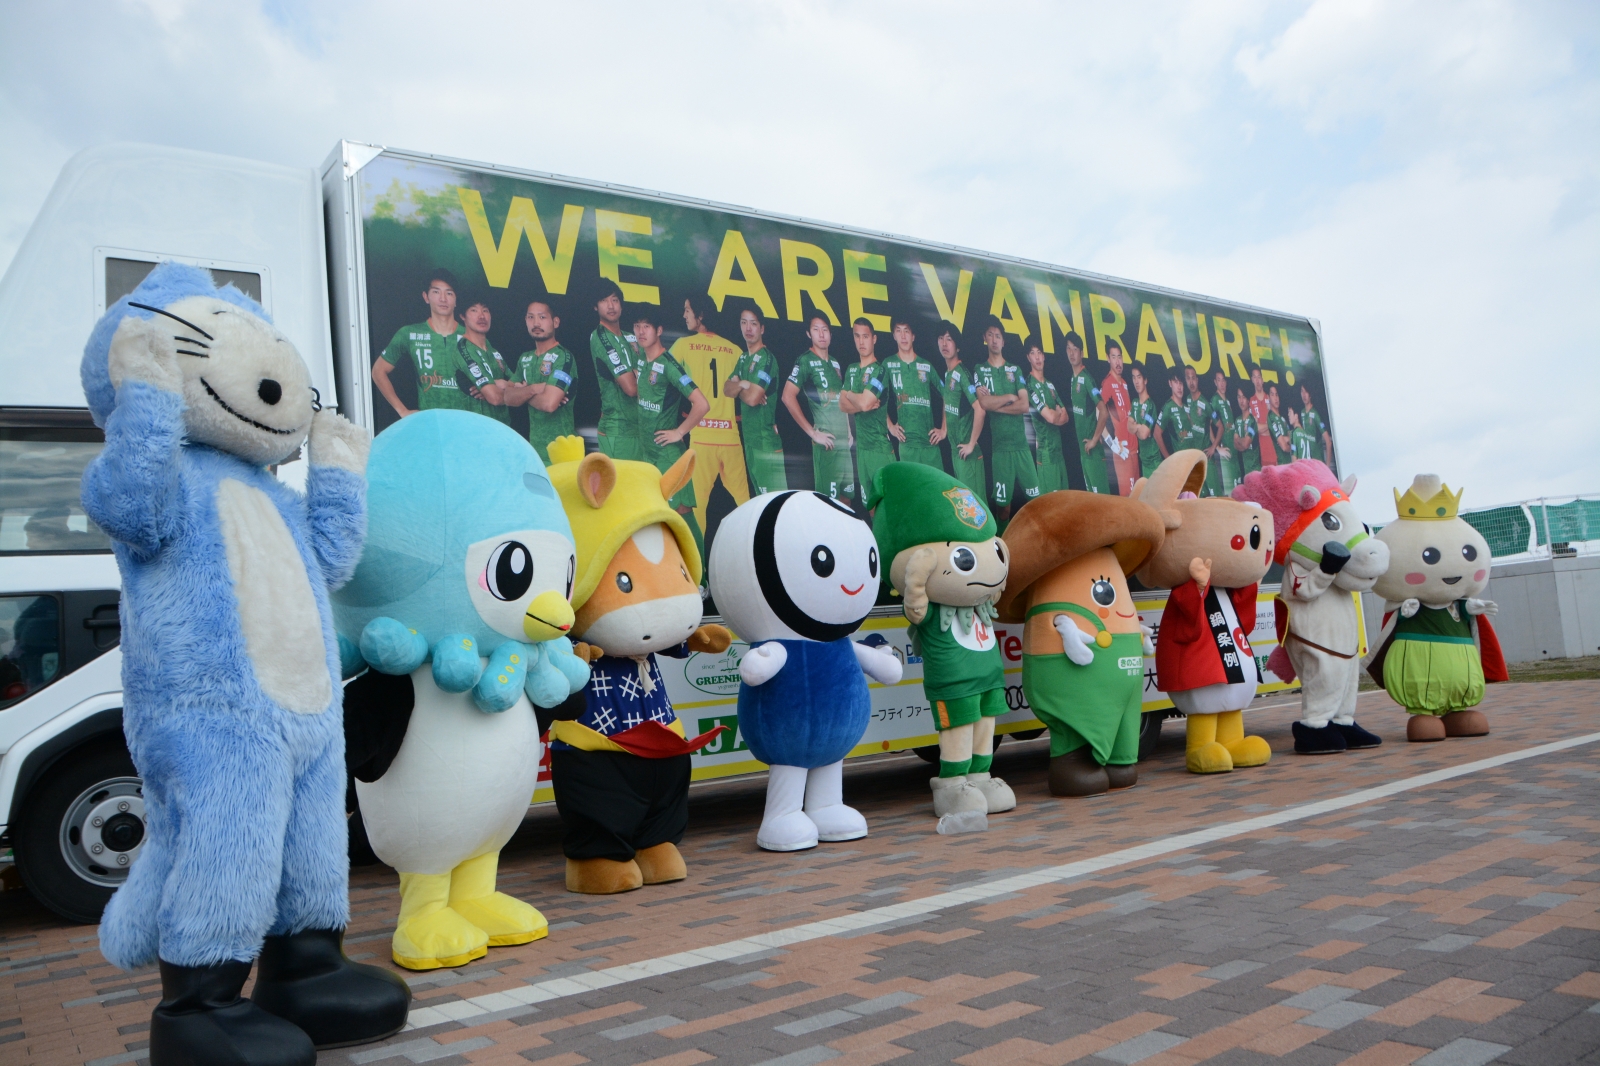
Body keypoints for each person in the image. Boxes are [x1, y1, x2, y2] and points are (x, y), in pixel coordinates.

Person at [671, 295, 750, 533]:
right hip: (730, 438)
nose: (684, 315)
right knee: (746, 506)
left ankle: (698, 557)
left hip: (702, 438)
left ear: (701, 314)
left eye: (687, 310)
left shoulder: (683, 345)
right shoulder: (735, 350)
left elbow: (661, 374)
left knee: (697, 510)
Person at [634, 309, 710, 558]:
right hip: (648, 456)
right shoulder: (641, 361)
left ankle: (702, 575)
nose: (641, 331)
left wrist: (679, 432)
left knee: (682, 515)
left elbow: (702, 404)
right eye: (637, 326)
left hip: (669, 456)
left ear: (659, 331)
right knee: (658, 519)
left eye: (647, 326)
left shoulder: (669, 364)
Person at [374, 269, 466, 418]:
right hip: (429, 422)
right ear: (426, 297)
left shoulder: (471, 335)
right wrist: (402, 410)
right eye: (436, 292)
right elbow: (378, 371)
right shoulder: (409, 333)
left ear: (456, 299)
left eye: (449, 293)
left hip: (466, 422)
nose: (443, 299)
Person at [782, 312, 853, 501]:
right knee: (828, 502)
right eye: (816, 329)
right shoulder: (805, 360)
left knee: (847, 498)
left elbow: (841, 398)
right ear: (808, 334)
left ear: (830, 333)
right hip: (827, 443)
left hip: (843, 443)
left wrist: (848, 430)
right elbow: (787, 396)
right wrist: (813, 433)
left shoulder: (835, 362)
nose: (821, 334)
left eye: (825, 330)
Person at [973, 319, 1038, 521]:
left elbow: (1024, 405)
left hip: (1021, 447)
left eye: (998, 336)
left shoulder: (1015, 370)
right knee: (1003, 509)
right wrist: (1010, 397)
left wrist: (997, 406)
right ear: (985, 338)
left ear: (1003, 341)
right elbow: (984, 403)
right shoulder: (980, 369)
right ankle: (1002, 541)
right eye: (990, 335)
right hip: (1000, 450)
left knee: (1036, 503)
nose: (994, 340)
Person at [504, 299, 576, 464]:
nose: (536, 323)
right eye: (531, 317)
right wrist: (534, 389)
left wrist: (522, 392)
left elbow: (549, 404)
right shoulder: (525, 358)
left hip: (562, 451)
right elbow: (507, 397)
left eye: (542, 317)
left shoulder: (564, 356)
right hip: (535, 450)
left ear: (555, 322)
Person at [723, 306, 787, 494]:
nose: (748, 328)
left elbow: (752, 399)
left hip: (766, 444)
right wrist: (742, 384)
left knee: (775, 503)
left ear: (762, 328)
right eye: (744, 323)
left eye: (753, 323)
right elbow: (726, 389)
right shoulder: (743, 358)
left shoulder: (767, 359)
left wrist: (739, 387)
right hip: (750, 442)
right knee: (760, 500)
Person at [839, 319, 893, 512]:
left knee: (887, 508)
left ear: (874, 339)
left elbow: (863, 403)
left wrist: (850, 395)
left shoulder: (880, 370)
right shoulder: (852, 369)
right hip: (862, 449)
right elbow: (842, 405)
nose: (861, 341)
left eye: (866, 336)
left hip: (880, 450)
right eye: (857, 336)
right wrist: (860, 402)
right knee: (870, 508)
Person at [589, 280, 642, 460]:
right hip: (618, 431)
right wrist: (639, 373)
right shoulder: (601, 336)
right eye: (604, 300)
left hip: (640, 428)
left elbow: (657, 374)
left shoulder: (631, 337)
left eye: (615, 300)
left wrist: (638, 374)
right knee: (620, 480)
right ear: (595, 306)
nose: (611, 306)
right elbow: (631, 388)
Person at [884, 319, 943, 470]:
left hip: (930, 445)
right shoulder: (888, 364)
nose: (903, 336)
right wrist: (890, 426)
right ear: (894, 335)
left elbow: (948, 396)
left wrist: (943, 430)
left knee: (934, 485)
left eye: (907, 331)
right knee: (910, 484)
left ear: (913, 336)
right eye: (899, 331)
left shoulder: (926, 366)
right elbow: (876, 398)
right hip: (907, 445)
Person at [937, 322, 986, 497]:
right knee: (965, 505)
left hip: (968, 456)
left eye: (949, 339)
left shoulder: (962, 374)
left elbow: (980, 409)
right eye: (941, 338)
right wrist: (944, 429)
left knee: (976, 506)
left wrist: (971, 444)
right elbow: (947, 401)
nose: (944, 343)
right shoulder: (947, 373)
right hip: (956, 452)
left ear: (957, 346)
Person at [455, 297, 513, 424]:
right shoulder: (464, 348)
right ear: (462, 316)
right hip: (477, 429)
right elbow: (495, 398)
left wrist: (501, 384)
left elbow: (520, 384)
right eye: (474, 310)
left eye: (485, 310)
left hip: (502, 428)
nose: (481, 316)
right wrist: (512, 391)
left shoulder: (493, 350)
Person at [1064, 333, 1109, 493]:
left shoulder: (1087, 379)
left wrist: (1094, 440)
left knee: (1102, 501)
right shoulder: (1073, 378)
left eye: (1075, 349)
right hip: (1084, 454)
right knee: (1091, 499)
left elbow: (1104, 412)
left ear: (1082, 353)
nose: (1072, 353)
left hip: (1093, 454)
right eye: (1069, 348)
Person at [1024, 344, 1070, 493]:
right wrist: (1056, 413)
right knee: (1051, 504)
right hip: (1046, 454)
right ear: (1028, 358)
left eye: (1039, 353)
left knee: (1065, 500)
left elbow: (1066, 417)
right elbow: (1050, 418)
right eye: (1033, 353)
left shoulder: (1050, 385)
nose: (1037, 357)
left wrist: (1055, 414)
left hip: (1059, 452)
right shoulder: (1030, 385)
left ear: (1044, 356)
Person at [1100, 342, 1139, 495]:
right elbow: (1098, 415)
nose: (1118, 362)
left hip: (1134, 450)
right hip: (1123, 451)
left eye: (1119, 357)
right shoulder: (1108, 383)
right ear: (1108, 359)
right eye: (1114, 357)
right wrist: (1112, 444)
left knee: (1138, 497)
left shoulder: (1125, 383)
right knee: (1128, 500)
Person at [1128, 365, 1161, 478]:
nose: (1136, 381)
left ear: (1145, 380)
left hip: (1154, 462)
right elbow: (1128, 427)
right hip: (1144, 461)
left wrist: (1135, 426)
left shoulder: (1150, 405)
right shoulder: (1134, 403)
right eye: (1134, 378)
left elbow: (1143, 435)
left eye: (1139, 377)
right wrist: (1139, 426)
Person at [1246, 366, 1278, 467]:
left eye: (1259, 377)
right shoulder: (1250, 401)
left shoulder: (1270, 397)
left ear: (1262, 380)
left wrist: (1261, 426)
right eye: (1255, 377)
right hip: (1261, 454)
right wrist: (1269, 426)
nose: (1257, 380)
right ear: (1252, 380)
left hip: (1276, 451)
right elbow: (1254, 428)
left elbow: (1277, 425)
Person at [1156, 373, 1193, 459]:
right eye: (1176, 382)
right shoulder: (1168, 407)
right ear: (1170, 383)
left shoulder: (1186, 407)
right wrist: (1168, 458)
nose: (1179, 387)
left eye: (1181, 383)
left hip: (1192, 457)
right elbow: (1156, 433)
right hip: (1180, 460)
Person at [1299, 384, 1334, 467]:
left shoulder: (1315, 414)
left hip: (1318, 463)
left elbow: (1328, 441)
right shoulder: (1302, 412)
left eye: (1306, 391)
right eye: (1302, 391)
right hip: (1308, 463)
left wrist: (1327, 466)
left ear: (1310, 394)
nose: (1304, 395)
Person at [1231, 388, 1261, 476]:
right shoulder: (1237, 420)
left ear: (1248, 400)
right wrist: (1242, 443)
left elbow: (1245, 444)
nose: (1241, 401)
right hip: (1245, 470)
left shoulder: (1252, 420)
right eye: (1239, 397)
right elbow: (1235, 445)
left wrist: (1239, 440)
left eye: (1243, 397)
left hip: (1255, 470)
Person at [1267, 384, 1292, 459]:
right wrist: (1292, 447)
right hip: (1281, 463)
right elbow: (1284, 447)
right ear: (1268, 397)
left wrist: (1287, 438)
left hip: (1289, 461)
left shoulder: (1282, 418)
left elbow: (1292, 438)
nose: (1276, 398)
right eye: (1272, 395)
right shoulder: (1271, 417)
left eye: (1276, 395)